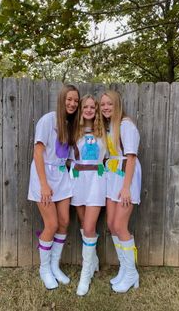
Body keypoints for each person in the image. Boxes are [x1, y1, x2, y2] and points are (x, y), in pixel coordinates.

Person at [28, 84, 80, 289]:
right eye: (69, 99)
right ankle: (44, 269)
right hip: (44, 176)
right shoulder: (48, 120)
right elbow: (38, 153)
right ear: (61, 99)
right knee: (51, 224)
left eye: (76, 100)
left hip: (61, 175)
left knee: (65, 221)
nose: (72, 103)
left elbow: (66, 156)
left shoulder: (70, 124)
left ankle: (55, 266)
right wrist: (43, 185)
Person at [99, 90, 141, 293]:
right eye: (103, 104)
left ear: (117, 105)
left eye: (110, 104)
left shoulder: (126, 125)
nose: (106, 107)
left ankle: (132, 273)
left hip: (126, 178)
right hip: (113, 175)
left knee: (120, 225)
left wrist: (126, 188)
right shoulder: (110, 127)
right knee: (110, 224)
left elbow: (131, 157)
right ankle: (125, 269)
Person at [69, 94, 106, 296]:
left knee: (90, 226)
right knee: (84, 226)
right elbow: (66, 156)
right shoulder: (74, 131)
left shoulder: (103, 132)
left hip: (97, 181)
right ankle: (93, 262)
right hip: (77, 179)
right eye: (86, 107)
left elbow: (110, 156)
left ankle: (85, 273)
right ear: (81, 110)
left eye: (93, 107)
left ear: (97, 110)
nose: (89, 110)